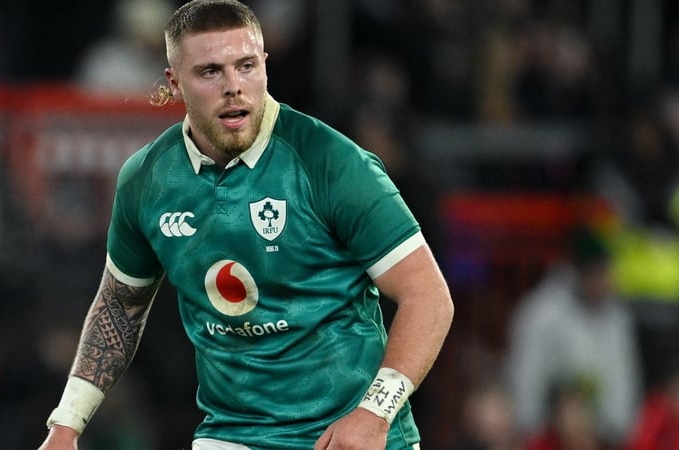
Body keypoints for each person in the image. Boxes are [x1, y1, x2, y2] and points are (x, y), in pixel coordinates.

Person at [36, 1, 454, 449]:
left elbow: (427, 295)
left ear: (265, 68)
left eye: (246, 66)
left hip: (354, 436)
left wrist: (374, 413)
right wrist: (67, 423)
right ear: (175, 83)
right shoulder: (147, 180)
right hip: (234, 436)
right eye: (211, 72)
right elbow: (121, 306)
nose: (234, 87)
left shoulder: (330, 161)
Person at [505, 226, 642, 449]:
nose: (606, 281)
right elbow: (527, 373)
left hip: (602, 437)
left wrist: (619, 428)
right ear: (579, 272)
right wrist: (530, 426)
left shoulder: (616, 317)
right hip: (549, 435)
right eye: (599, 273)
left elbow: (624, 376)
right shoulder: (541, 314)